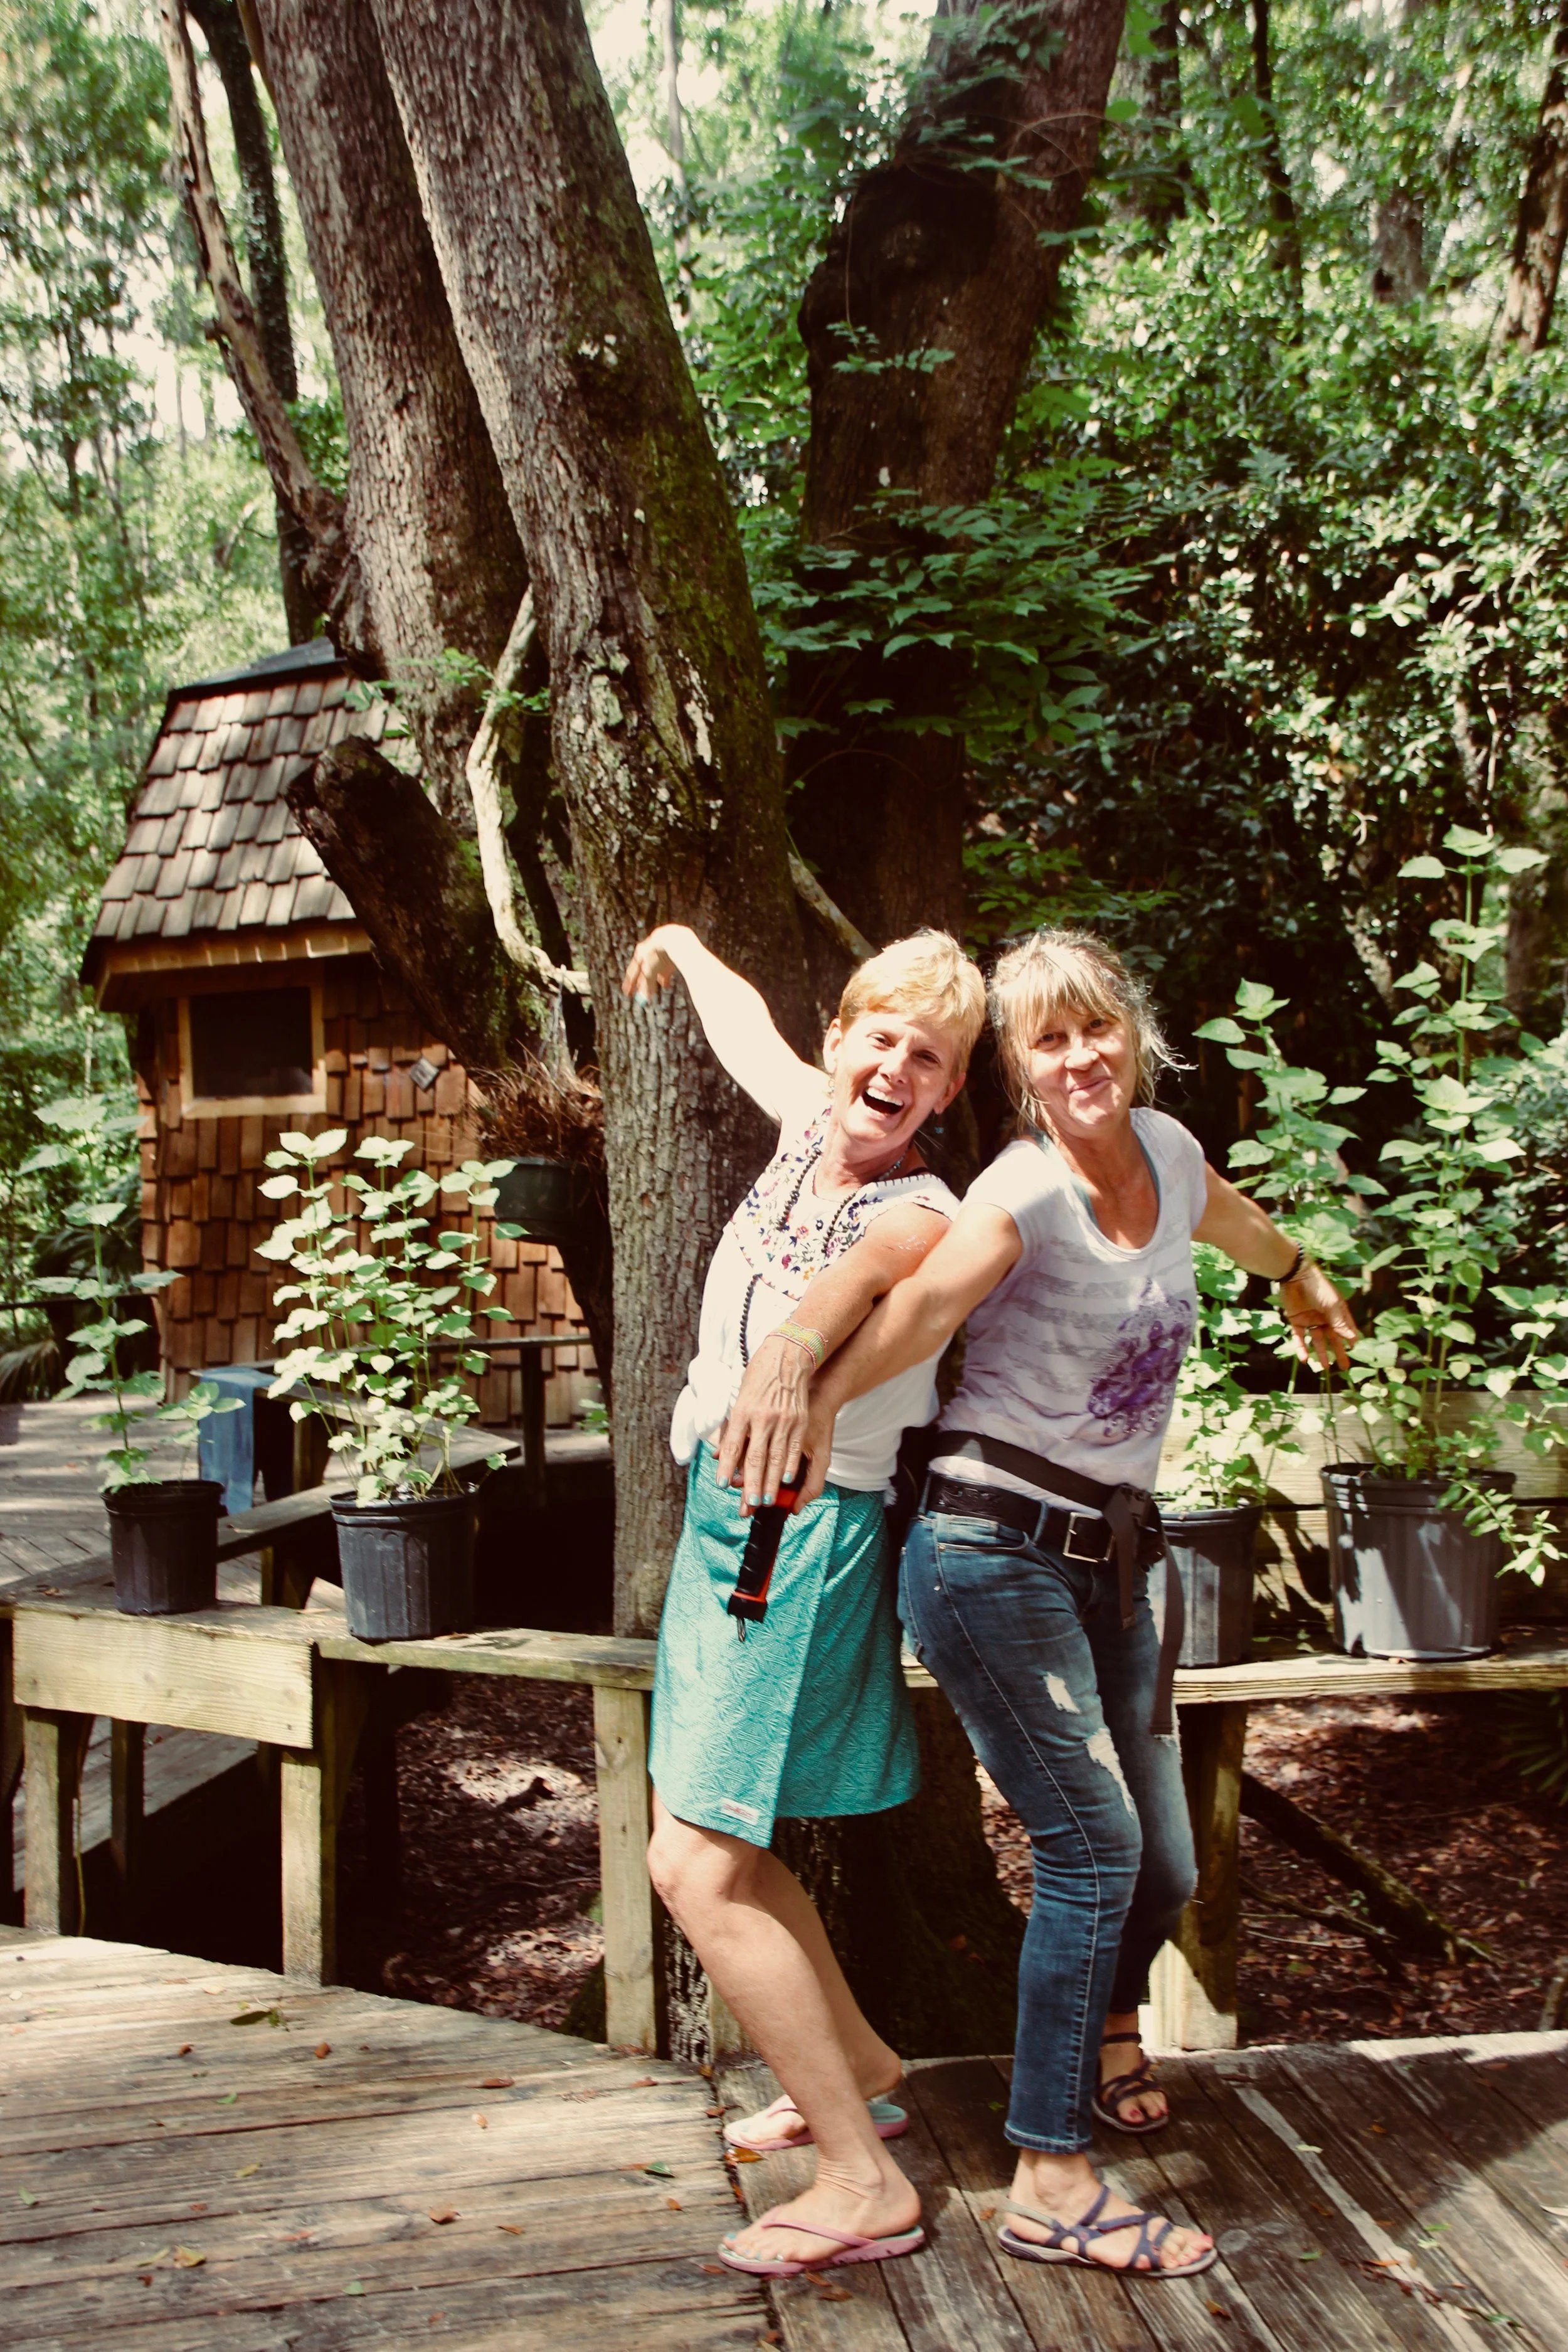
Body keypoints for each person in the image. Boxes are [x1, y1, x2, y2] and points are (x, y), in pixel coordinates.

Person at [718, 928, 1358, 2281]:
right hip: (985, 1551)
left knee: (1163, 1864)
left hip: (1115, 1557)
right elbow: (919, 1314)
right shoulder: (1017, 1191)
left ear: (1132, 1032)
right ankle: (1050, 2175)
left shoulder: (1169, 1153)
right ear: (1016, 1067)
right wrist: (811, 1393)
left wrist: (1300, 1280)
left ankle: (1109, 2026)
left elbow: (1238, 1225)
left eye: (1095, 1029)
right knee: (1090, 1852)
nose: (1078, 1058)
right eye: (1045, 1041)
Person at [622, 921, 987, 2281]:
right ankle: (872, 2069)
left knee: (692, 1865)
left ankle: (859, 2176)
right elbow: (744, 1030)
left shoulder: (924, 1207)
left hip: (796, 1527)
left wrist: (788, 1345)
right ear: (841, 1043)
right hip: (728, 1514)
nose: (892, 1066)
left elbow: (865, 1272)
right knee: (717, 1841)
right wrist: (679, 946)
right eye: (876, 1036)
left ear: (947, 1093)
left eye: (927, 1057)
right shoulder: (800, 1126)